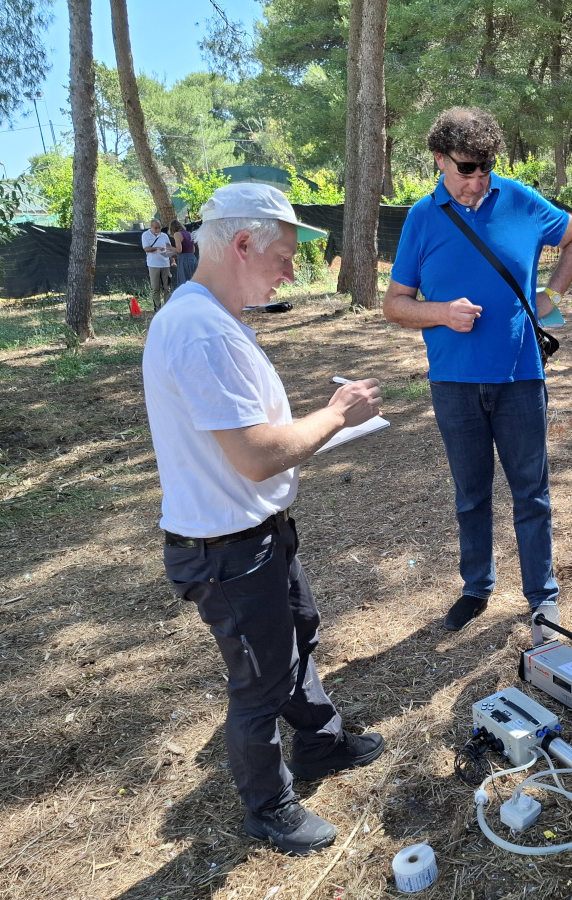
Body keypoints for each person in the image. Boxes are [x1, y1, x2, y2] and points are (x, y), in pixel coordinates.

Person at [142, 183, 386, 857]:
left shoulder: (217, 319)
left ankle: (319, 745)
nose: (291, 271)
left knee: (300, 634)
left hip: (257, 530)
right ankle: (269, 807)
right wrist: (336, 413)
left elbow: (256, 434)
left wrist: (318, 428)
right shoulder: (198, 329)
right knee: (259, 681)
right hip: (225, 547)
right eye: (283, 256)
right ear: (242, 244)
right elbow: (254, 455)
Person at [382, 107, 572, 637]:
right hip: (453, 383)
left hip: (521, 377)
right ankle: (476, 587)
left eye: (486, 167)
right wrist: (440, 313)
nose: (478, 180)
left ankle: (542, 598)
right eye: (467, 168)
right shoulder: (421, 218)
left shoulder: (518, 199)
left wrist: (552, 296)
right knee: (471, 494)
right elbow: (394, 304)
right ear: (439, 160)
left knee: (532, 492)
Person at [141, 218, 173, 310]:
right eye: (155, 228)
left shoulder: (164, 236)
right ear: (151, 227)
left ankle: (168, 307)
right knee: (155, 288)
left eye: (159, 228)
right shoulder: (145, 235)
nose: (158, 230)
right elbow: (146, 249)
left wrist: (172, 260)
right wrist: (157, 248)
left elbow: (169, 248)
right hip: (153, 265)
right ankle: (157, 307)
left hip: (165, 264)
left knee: (167, 287)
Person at [170, 218, 199, 288]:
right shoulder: (189, 234)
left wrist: (169, 247)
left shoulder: (177, 234)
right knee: (193, 280)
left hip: (184, 261)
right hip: (192, 259)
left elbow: (179, 250)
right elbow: (193, 250)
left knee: (184, 281)